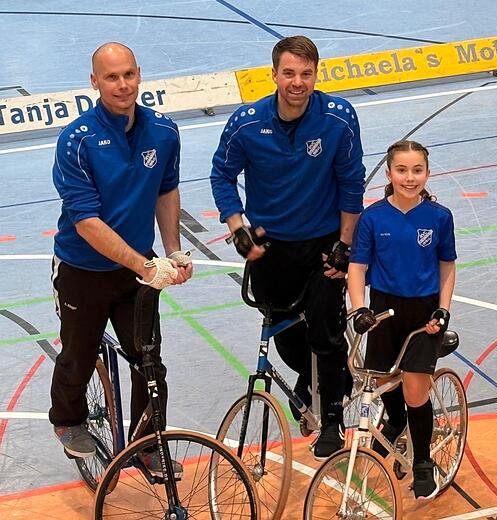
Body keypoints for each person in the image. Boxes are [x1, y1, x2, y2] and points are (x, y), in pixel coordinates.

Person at [210, 35, 365, 459]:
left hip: (322, 247)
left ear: (316, 74)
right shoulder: (245, 123)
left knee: (325, 332)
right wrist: (237, 226)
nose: (297, 82)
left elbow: (352, 184)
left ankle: (333, 422)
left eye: (306, 74)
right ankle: (311, 378)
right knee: (288, 340)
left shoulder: (338, 117)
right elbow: (221, 175)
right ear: (274, 74)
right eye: (289, 73)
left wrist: (345, 245)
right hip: (271, 249)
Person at [50, 43, 192, 471]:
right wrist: (147, 266)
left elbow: (166, 190)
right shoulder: (76, 141)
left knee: (150, 364)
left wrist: (173, 250)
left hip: (138, 269)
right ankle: (67, 420)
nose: (122, 84)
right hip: (82, 269)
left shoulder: (164, 132)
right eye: (111, 77)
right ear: (94, 81)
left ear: (139, 75)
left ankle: (147, 444)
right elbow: (87, 223)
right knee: (78, 354)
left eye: (128, 74)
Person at [347, 140, 457, 500]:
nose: (410, 178)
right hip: (383, 309)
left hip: (423, 312)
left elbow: (447, 266)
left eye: (417, 170)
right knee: (384, 380)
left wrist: (443, 308)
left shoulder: (440, 217)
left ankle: (423, 461)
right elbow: (358, 267)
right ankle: (395, 422)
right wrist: (360, 308)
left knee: (413, 388)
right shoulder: (374, 217)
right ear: (390, 173)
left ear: (427, 173)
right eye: (402, 170)